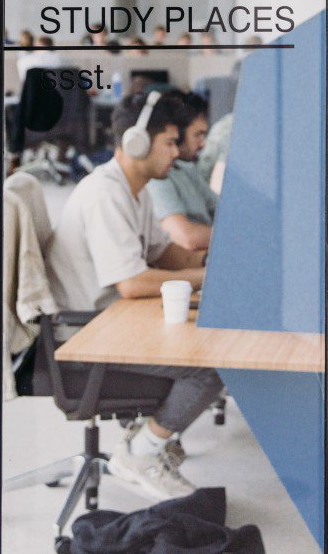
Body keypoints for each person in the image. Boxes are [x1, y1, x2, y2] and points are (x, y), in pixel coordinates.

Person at [45, 92, 219, 499]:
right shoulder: (106, 193)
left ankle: (149, 442)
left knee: (208, 341)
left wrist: (215, 261)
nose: (178, 153)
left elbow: (166, 253)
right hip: (85, 338)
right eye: (171, 142)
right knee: (209, 365)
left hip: (109, 323)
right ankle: (141, 453)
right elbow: (133, 282)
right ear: (137, 141)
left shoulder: (135, 190)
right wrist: (205, 280)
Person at [146, 92, 216, 252]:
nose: (203, 144)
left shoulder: (186, 169)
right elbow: (186, 237)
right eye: (197, 135)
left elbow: (223, 210)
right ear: (179, 135)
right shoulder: (158, 177)